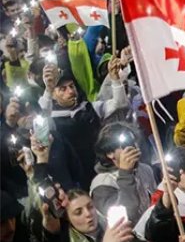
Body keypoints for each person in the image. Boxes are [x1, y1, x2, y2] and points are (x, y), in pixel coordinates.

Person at [39, 59, 129, 188]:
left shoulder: (90, 107)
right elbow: (42, 118)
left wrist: (115, 79)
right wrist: (48, 89)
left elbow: (119, 104)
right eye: (62, 89)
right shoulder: (53, 120)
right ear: (53, 96)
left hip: (106, 166)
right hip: (80, 176)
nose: (70, 91)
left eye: (71, 86)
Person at [90, 122, 157, 222]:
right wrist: (125, 174)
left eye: (133, 142)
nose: (133, 147)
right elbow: (125, 215)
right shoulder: (102, 184)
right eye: (126, 144)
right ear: (109, 153)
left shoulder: (146, 170)